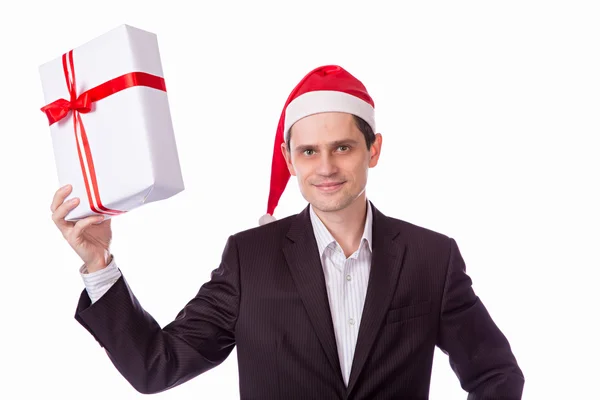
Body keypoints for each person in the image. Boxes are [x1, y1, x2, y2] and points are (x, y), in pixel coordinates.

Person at [51, 65, 524, 399]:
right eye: (309, 152)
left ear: (373, 150)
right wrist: (99, 265)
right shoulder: (248, 258)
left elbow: (496, 375)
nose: (327, 168)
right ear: (289, 159)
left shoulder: (430, 257)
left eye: (343, 148)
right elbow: (157, 367)